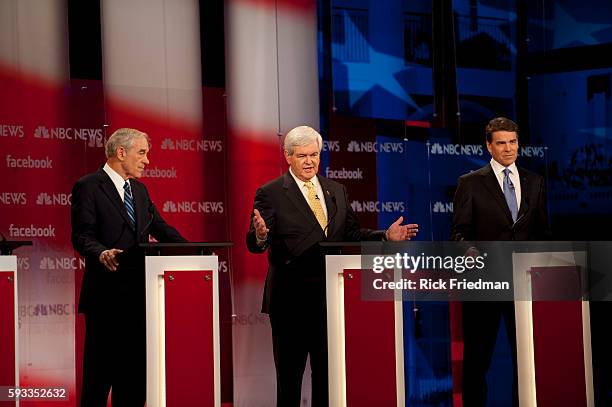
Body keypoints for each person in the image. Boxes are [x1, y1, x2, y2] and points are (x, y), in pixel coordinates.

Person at [246, 125, 419, 406]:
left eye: (314, 154)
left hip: (332, 300)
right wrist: (262, 235)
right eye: (302, 156)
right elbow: (255, 242)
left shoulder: (336, 190)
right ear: (287, 156)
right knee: (290, 379)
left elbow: (351, 235)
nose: (309, 161)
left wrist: (385, 236)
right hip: (291, 300)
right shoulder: (271, 193)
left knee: (328, 378)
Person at [71, 128, 186, 407]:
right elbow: (82, 235)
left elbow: (159, 227)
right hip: (107, 298)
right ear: (121, 153)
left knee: (134, 380)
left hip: (141, 298)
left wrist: (194, 250)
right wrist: (101, 253)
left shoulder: (140, 190)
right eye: (142, 153)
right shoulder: (88, 186)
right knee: (99, 379)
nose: (147, 161)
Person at [451, 117, 549, 406]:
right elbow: (458, 233)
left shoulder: (535, 181)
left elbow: (543, 233)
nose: (509, 149)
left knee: (527, 357)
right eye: (502, 143)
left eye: (513, 142)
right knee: (477, 361)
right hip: (485, 283)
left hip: (525, 284)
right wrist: (468, 251)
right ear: (489, 146)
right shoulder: (470, 183)